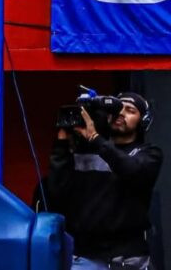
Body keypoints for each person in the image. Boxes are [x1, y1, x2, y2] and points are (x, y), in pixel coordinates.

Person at [47, 92, 163, 270]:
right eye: (117, 108)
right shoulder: (86, 151)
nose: (121, 113)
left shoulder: (148, 153)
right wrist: (62, 144)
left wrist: (95, 138)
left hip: (129, 259)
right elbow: (56, 191)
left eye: (130, 110)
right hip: (85, 257)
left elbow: (131, 170)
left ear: (143, 121)